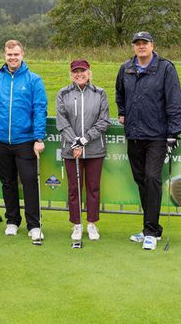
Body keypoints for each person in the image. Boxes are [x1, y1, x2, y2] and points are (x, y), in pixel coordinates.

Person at [115, 31, 181, 251]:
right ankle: (149, 227)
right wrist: (122, 111)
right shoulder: (126, 68)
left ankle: (152, 232)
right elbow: (119, 94)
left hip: (156, 135)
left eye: (145, 43)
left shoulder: (165, 69)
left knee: (153, 179)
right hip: (134, 134)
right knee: (141, 181)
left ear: (152, 45)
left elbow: (175, 101)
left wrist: (174, 132)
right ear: (133, 47)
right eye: (137, 43)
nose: (141, 46)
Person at [0, 39, 48, 243]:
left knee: (28, 182)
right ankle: (12, 221)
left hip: (25, 141)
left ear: (22, 55)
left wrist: (39, 137)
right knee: (7, 183)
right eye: (9, 55)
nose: (13, 58)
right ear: (4, 56)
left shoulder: (34, 80)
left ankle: (34, 225)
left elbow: (39, 110)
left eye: (16, 54)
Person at [56, 59, 111, 242]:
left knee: (93, 188)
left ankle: (92, 223)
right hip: (71, 150)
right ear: (71, 74)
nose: (79, 74)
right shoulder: (63, 94)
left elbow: (104, 121)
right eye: (75, 71)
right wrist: (75, 143)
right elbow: (61, 122)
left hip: (95, 149)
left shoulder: (100, 93)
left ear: (89, 72)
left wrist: (85, 139)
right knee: (74, 188)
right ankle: (77, 224)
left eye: (83, 71)